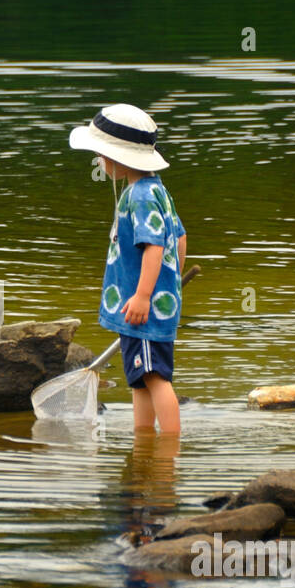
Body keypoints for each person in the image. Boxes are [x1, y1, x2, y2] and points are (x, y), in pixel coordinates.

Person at [69, 104, 187, 433]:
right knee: (140, 379)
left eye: (100, 154)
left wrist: (145, 295)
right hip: (144, 308)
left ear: (118, 158)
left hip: (144, 309)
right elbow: (180, 238)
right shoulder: (156, 189)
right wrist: (171, 283)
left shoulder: (140, 196)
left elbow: (155, 245)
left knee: (155, 377)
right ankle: (144, 441)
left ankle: (169, 451)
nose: (98, 161)